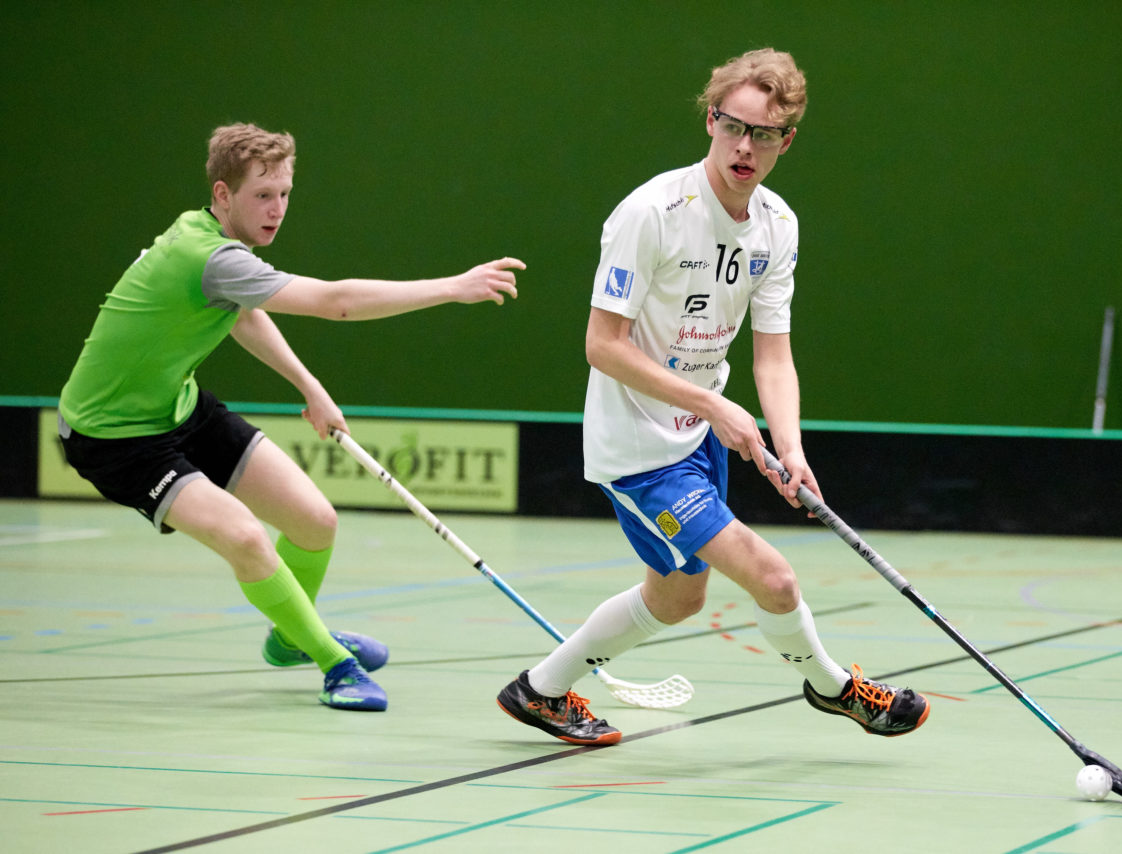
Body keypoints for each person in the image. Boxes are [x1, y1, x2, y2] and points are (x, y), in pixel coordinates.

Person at [497, 49, 929, 744]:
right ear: (711, 119)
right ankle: (832, 688)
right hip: (638, 445)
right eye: (733, 126)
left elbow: (772, 353)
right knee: (775, 579)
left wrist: (788, 444)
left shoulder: (777, 226)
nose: (744, 146)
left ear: (786, 142)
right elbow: (602, 345)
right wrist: (714, 407)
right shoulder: (653, 213)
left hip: (698, 435)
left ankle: (539, 691)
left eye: (764, 135)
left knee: (677, 599)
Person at [58, 123, 523, 712]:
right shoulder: (207, 255)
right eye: (261, 195)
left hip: (180, 408)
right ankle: (333, 661)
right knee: (247, 538)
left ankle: (289, 639)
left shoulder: (215, 242)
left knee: (314, 522)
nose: (276, 209)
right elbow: (337, 303)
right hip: (115, 439)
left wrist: (309, 386)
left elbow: (243, 312)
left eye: (284, 194)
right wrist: (453, 287)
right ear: (224, 195)